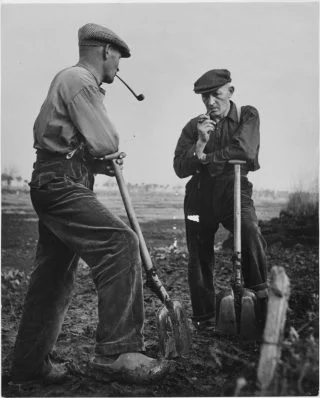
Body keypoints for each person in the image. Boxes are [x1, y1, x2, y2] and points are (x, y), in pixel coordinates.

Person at [10, 23, 171, 387]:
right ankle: (115, 352)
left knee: (53, 277)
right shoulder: (81, 82)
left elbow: (69, 144)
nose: (119, 65)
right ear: (104, 52)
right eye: (118, 57)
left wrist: (94, 162)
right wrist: (103, 151)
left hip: (59, 179)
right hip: (61, 184)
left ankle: (29, 363)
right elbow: (107, 139)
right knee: (121, 243)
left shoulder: (72, 81)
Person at [173, 69, 268, 331]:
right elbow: (180, 167)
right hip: (197, 199)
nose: (210, 102)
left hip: (234, 189)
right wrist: (200, 144)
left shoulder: (247, 115)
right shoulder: (195, 126)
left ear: (230, 92)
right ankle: (204, 317)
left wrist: (208, 159)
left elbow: (245, 150)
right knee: (198, 250)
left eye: (216, 94)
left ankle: (259, 300)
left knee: (249, 230)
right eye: (205, 97)